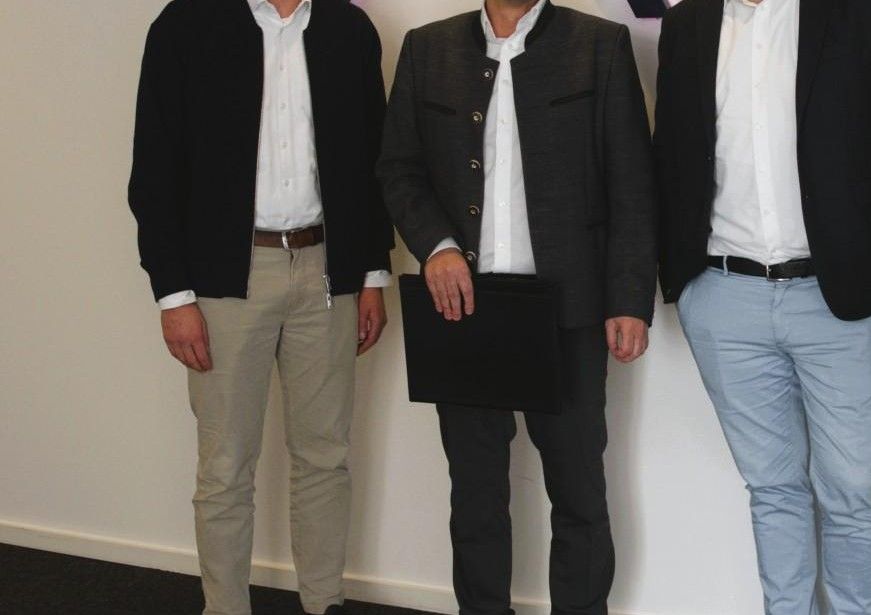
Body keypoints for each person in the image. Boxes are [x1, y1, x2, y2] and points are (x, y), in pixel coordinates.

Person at [653, 0, 871, 612]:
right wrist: (683, 282)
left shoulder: (864, 11)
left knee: (852, 489)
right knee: (772, 488)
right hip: (723, 297)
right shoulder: (685, 24)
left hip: (841, 297)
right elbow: (669, 154)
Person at [377, 1, 657, 613]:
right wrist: (436, 247)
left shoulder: (599, 44)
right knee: (475, 496)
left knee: (579, 492)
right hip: (464, 308)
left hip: (571, 309)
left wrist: (629, 298)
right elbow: (399, 168)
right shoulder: (427, 48)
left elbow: (632, 182)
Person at [127, 0, 393, 613]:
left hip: (328, 271)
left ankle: (324, 602)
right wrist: (173, 293)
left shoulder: (349, 28)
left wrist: (371, 273)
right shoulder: (185, 23)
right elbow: (154, 167)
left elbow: (372, 158)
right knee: (225, 467)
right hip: (225, 278)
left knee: (325, 457)